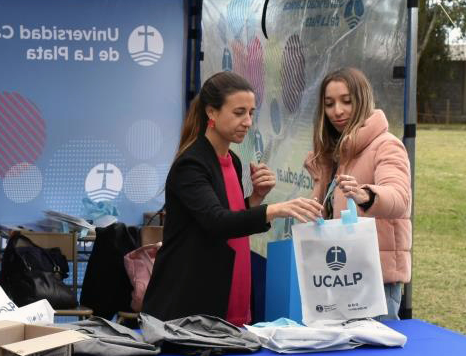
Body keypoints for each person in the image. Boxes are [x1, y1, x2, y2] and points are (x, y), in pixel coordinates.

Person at [142, 71, 322, 324]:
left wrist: (255, 199)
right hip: (191, 301)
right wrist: (276, 209)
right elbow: (216, 221)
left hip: (232, 288)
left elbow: (230, 216)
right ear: (211, 112)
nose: (247, 122)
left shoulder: (233, 161)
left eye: (251, 113)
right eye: (239, 113)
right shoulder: (191, 165)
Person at [305, 66, 411, 319]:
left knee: (374, 344)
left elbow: (399, 198)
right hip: (338, 274)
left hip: (376, 278)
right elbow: (321, 215)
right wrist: (319, 181)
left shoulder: (386, 144)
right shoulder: (335, 153)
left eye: (347, 101)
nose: (337, 111)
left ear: (362, 101)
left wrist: (367, 196)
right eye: (329, 104)